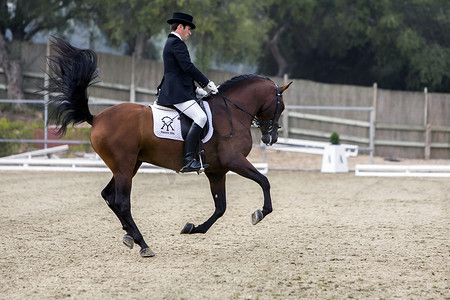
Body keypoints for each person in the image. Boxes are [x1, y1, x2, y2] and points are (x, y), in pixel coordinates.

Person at [157, 12, 219, 173]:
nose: (189, 32)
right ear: (180, 27)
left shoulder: (172, 43)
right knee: (201, 117)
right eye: (188, 29)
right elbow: (187, 67)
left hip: (180, 90)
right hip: (176, 94)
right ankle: (188, 160)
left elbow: (179, 72)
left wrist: (195, 89)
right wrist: (206, 83)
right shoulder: (176, 43)